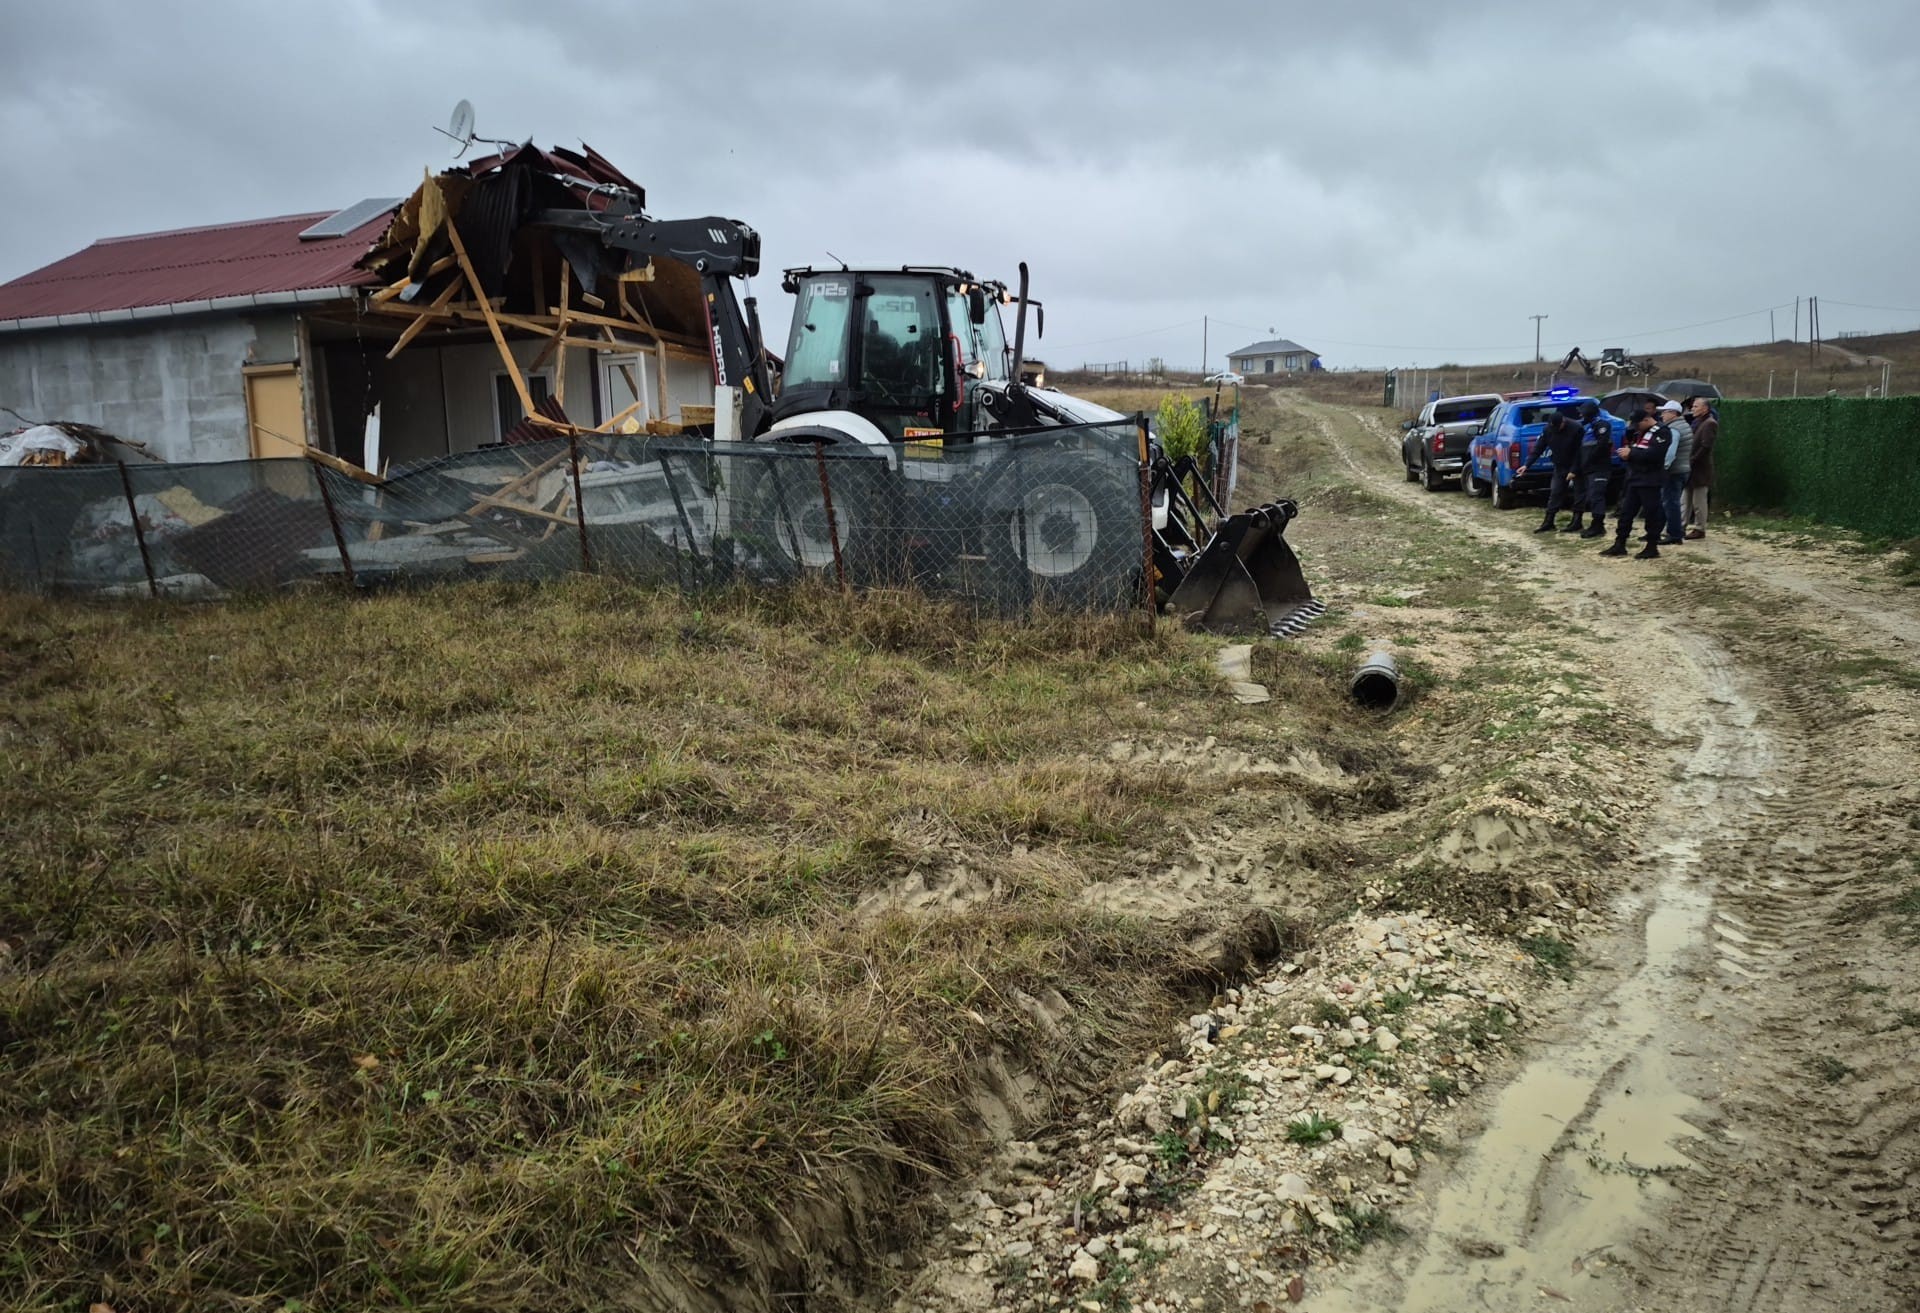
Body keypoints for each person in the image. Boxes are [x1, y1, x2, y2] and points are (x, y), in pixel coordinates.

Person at [1601, 412, 1672, 559]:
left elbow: (1655, 454)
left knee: (1651, 515)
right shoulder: (1641, 433)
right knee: (1626, 513)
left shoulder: (1662, 432)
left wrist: (1631, 453)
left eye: (1638, 424)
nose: (1636, 428)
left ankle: (1652, 546)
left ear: (1646, 419)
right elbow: (1638, 449)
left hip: (1650, 480)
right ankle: (1620, 544)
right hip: (1635, 478)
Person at [1523, 409, 1583, 532]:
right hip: (1560, 465)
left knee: (1579, 493)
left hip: (1576, 465)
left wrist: (1574, 470)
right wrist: (1527, 465)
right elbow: (1539, 448)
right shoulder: (1548, 430)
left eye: (1558, 426)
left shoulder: (1576, 428)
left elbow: (1580, 452)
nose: (1556, 429)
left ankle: (1577, 521)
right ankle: (1549, 521)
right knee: (1555, 492)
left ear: (1563, 422)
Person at [1570, 400, 1614, 537]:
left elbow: (1602, 445)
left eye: (1583, 412)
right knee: (1591, 497)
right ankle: (1593, 524)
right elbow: (1580, 449)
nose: (1581, 415)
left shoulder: (1601, 425)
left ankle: (1598, 526)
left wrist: (1589, 461)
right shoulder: (1587, 426)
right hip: (1588, 468)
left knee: (1597, 496)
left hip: (1599, 467)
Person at [1657, 399, 1693, 546]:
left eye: (1664, 412)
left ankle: (1674, 534)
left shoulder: (1674, 429)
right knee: (1670, 501)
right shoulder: (1684, 425)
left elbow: (1670, 453)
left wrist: (1663, 468)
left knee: (1670, 503)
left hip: (1674, 470)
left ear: (1672, 413)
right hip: (1684, 469)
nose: (1662, 415)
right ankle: (1663, 531)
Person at [1684, 396, 1718, 538]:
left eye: (1696, 406)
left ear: (1705, 408)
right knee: (1685, 499)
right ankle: (1680, 525)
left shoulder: (1710, 423)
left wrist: (1692, 459)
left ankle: (1700, 528)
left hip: (1700, 468)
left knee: (1699, 501)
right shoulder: (1696, 422)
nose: (1692, 409)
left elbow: (1706, 446)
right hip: (1691, 466)